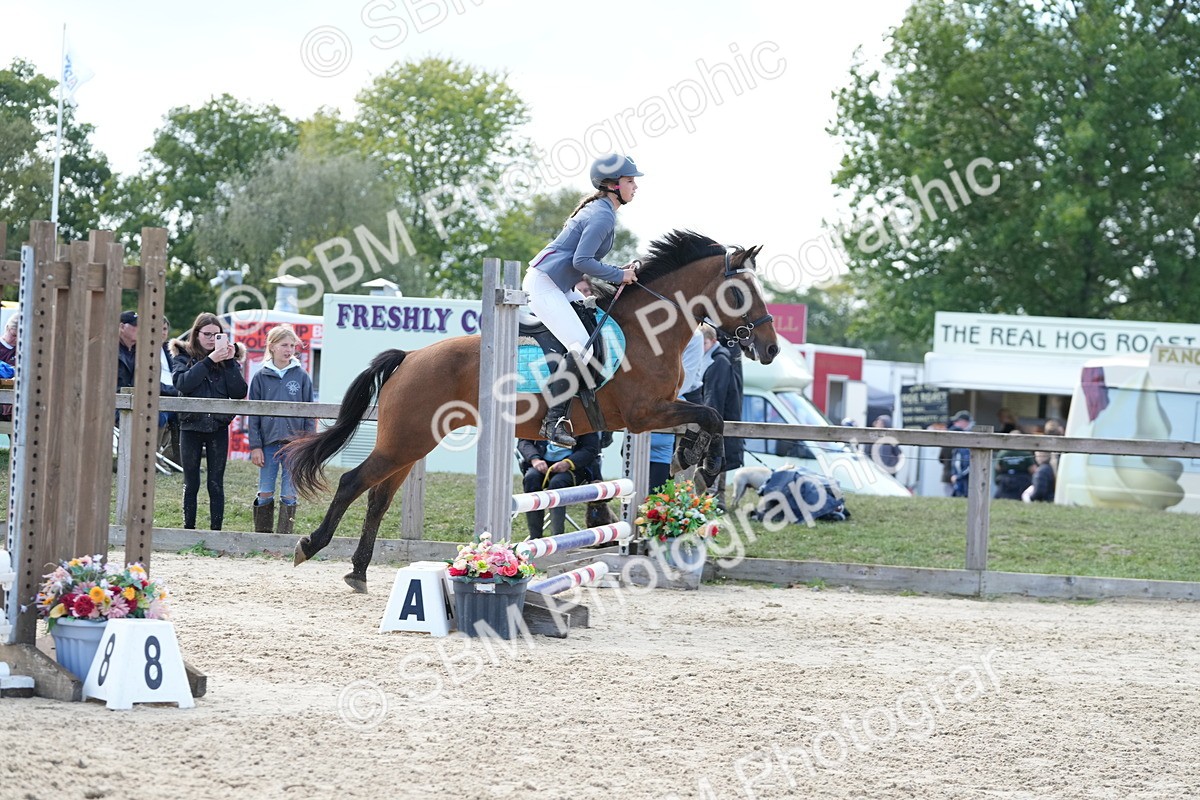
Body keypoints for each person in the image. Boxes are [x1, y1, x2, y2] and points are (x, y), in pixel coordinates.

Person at [524, 154, 642, 447]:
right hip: (546, 285)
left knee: (597, 335)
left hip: (558, 284)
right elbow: (582, 260)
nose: (635, 186)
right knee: (583, 349)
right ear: (613, 186)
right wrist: (618, 275)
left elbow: (583, 261)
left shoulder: (602, 210)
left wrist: (620, 271)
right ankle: (552, 423)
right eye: (630, 181)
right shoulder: (602, 214)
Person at [171, 313, 248, 530]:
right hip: (190, 426)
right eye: (207, 334)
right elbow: (183, 383)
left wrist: (230, 363)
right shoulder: (183, 355)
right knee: (191, 482)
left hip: (218, 427)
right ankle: (189, 529)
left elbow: (240, 391)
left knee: (216, 483)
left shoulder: (227, 361)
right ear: (196, 334)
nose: (212, 339)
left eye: (217, 335)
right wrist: (209, 360)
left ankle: (216, 531)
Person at [248, 325, 315, 536]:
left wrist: (307, 444)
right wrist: (255, 446)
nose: (289, 349)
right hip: (267, 445)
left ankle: (284, 538)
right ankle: (263, 537)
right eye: (284, 345)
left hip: (294, 446)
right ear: (272, 346)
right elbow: (254, 415)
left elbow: (309, 414)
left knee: (289, 493)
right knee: (265, 490)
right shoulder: (260, 377)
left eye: (292, 345)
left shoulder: (302, 377)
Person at [516, 431, 603, 539]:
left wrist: (568, 463)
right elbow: (524, 441)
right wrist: (534, 459)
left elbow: (590, 449)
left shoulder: (583, 416)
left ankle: (557, 537)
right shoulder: (539, 415)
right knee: (531, 478)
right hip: (540, 462)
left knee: (557, 483)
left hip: (575, 467)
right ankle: (535, 538)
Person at [700, 325, 744, 507]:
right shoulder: (720, 359)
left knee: (714, 457)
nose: (700, 347)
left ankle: (712, 500)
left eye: (704, 343)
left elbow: (714, 397)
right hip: (722, 421)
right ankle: (716, 499)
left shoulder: (719, 362)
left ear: (713, 341)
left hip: (718, 421)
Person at [158, 316, 181, 463]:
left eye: (165, 329)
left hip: (173, 396)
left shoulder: (169, 350)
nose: (162, 332)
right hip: (157, 398)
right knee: (160, 416)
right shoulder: (142, 350)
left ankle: (175, 458)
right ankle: (152, 459)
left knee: (187, 414)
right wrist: (176, 391)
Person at [994, 434, 1035, 500]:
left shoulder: (1003, 453)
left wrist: (997, 480)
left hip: (1005, 481)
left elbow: (998, 468)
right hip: (1022, 481)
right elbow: (1032, 469)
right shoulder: (1026, 453)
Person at [948, 410, 973, 497]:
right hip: (958, 478)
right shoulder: (957, 434)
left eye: (957, 421)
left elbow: (970, 464)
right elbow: (956, 460)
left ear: (964, 422)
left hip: (967, 479)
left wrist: (958, 476)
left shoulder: (971, 437)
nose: (954, 423)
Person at [0, 314, 18, 421]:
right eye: (14, 335)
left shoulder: (22, 349)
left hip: (13, 407)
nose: (16, 339)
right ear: (7, 328)